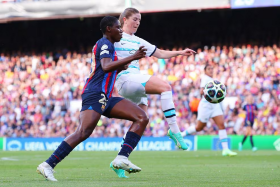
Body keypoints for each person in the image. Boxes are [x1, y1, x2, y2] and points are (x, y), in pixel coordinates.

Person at [36, 16, 149, 181]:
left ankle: (122, 158)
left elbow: (105, 69)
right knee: (83, 131)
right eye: (118, 28)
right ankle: (48, 164)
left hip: (106, 96)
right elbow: (105, 66)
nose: (120, 31)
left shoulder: (109, 46)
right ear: (109, 29)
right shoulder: (105, 43)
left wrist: (120, 67)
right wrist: (132, 57)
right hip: (95, 93)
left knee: (141, 117)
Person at [182, 64, 237, 156]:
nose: (211, 70)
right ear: (205, 71)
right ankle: (182, 135)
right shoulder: (205, 78)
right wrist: (208, 92)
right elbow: (201, 91)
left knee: (221, 125)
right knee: (199, 127)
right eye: (209, 69)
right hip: (206, 106)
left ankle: (226, 150)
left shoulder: (212, 80)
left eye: (212, 69)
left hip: (214, 105)